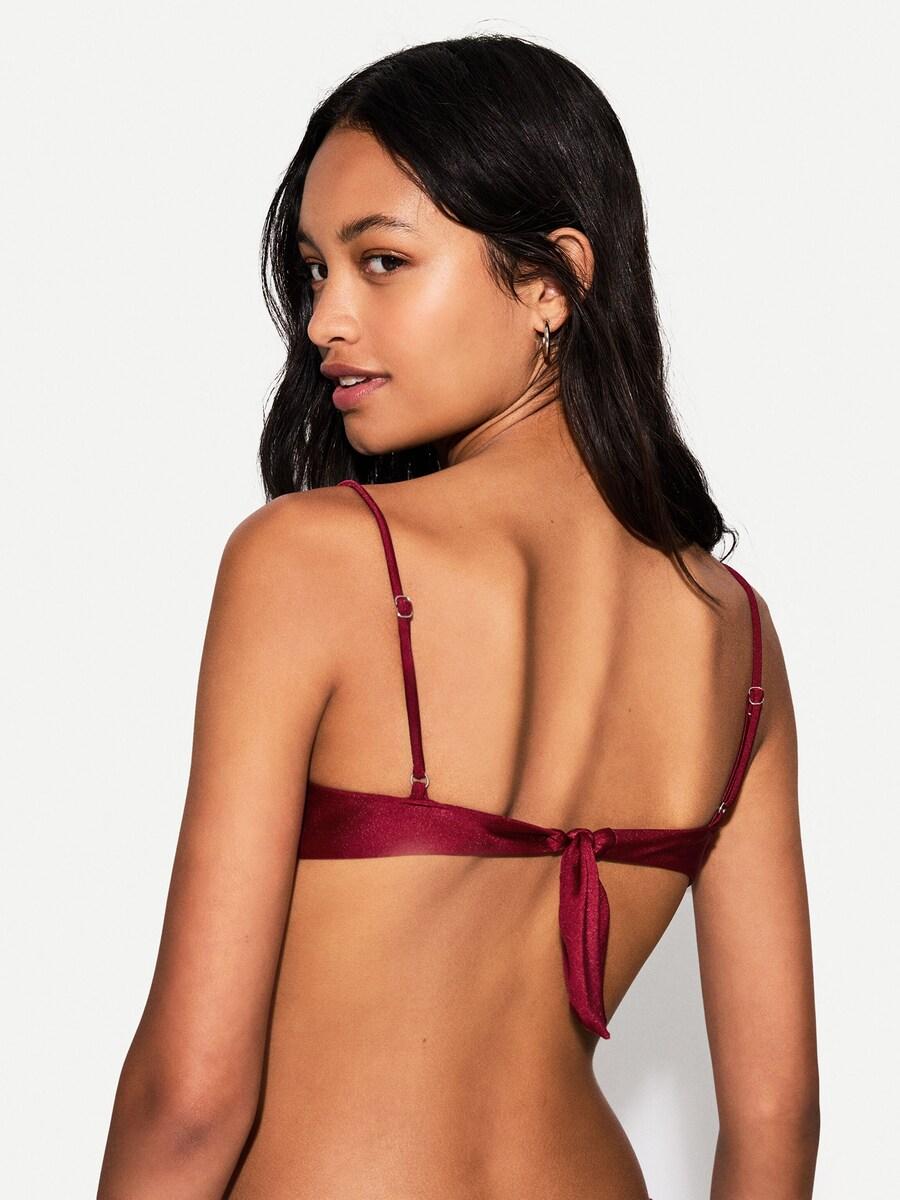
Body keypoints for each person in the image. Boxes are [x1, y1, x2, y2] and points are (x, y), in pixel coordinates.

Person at [97, 33, 819, 1200]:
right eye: (314, 270)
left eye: (381, 261)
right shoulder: (733, 632)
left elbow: (191, 1098)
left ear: (551, 282)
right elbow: (779, 1121)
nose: (324, 319)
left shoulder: (310, 561)